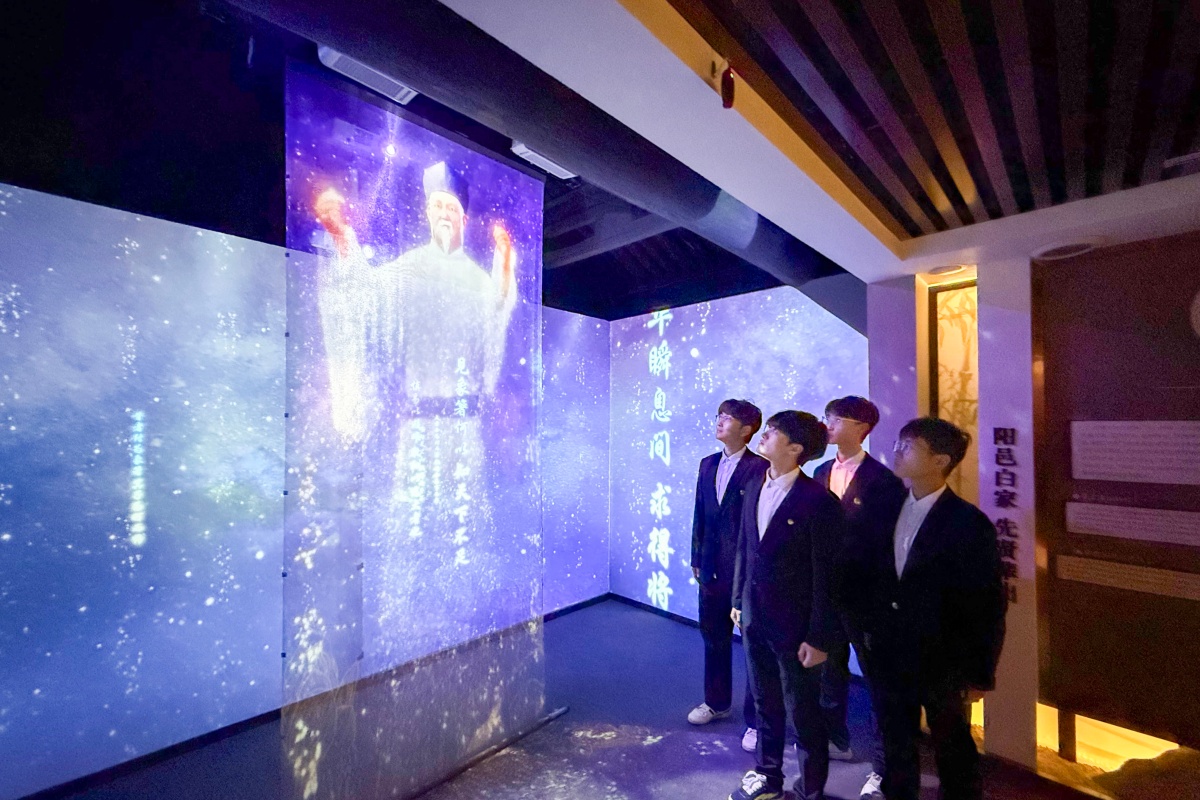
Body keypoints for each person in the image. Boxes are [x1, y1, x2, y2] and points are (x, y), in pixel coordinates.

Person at [313, 161, 518, 664]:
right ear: (427, 214)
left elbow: (497, 316)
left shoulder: (476, 280)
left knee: (463, 516)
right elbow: (361, 296)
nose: (444, 213)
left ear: (463, 218)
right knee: (413, 517)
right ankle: (407, 620)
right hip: (418, 425)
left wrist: (504, 267)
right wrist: (343, 237)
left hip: (464, 427)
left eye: (452, 207)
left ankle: (464, 615)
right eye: (437, 206)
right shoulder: (407, 270)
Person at [837, 417, 1006, 800]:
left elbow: (986, 604)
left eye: (909, 446)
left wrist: (980, 672)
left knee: (952, 744)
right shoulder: (883, 507)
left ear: (940, 461)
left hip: (942, 656)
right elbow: (859, 570)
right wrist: (863, 628)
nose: (896, 451)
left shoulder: (968, 523)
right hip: (887, 649)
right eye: (898, 443)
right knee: (895, 740)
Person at [729, 412, 844, 800]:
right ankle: (768, 775)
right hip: (755, 616)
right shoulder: (753, 484)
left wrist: (820, 637)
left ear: (796, 448)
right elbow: (746, 547)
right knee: (764, 700)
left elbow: (828, 577)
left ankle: (811, 788)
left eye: (773, 432)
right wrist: (738, 599)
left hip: (797, 627)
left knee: (804, 711)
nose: (764, 435)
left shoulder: (819, 501)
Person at [813, 397, 905, 799]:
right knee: (828, 670)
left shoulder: (883, 481)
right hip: (827, 593)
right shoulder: (819, 471)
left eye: (836, 419)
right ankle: (836, 739)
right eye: (827, 418)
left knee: (879, 682)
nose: (828, 425)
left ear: (861, 427)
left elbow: (889, 546)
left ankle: (884, 769)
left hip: (868, 599)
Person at [688, 400, 768, 752]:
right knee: (713, 637)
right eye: (719, 416)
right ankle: (716, 702)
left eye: (728, 418)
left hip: (744, 572)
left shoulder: (760, 467)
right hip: (710, 568)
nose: (719, 422)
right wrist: (696, 557)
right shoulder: (708, 463)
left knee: (753, 647)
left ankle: (757, 721)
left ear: (746, 429)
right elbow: (700, 513)